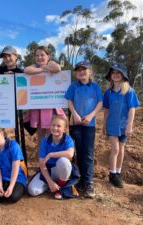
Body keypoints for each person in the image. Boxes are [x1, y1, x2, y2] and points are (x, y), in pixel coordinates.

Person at [64, 61, 103, 198]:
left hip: (89, 125)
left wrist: (91, 116)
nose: (81, 72)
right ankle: (78, 180)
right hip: (75, 124)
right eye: (78, 70)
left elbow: (100, 102)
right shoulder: (73, 86)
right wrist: (74, 114)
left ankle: (89, 182)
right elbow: (69, 100)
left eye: (84, 69)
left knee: (88, 153)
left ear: (90, 71)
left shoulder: (95, 87)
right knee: (77, 152)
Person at [103, 62, 140, 188]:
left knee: (121, 149)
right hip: (112, 125)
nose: (116, 75)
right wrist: (104, 125)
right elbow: (106, 110)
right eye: (113, 73)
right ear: (110, 75)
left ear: (123, 75)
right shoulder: (108, 92)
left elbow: (132, 109)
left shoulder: (129, 91)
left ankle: (118, 172)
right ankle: (112, 174)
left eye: (118, 73)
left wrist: (130, 125)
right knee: (115, 149)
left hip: (124, 125)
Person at [28, 115, 79, 199]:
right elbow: (42, 164)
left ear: (64, 129)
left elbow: (70, 154)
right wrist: (50, 181)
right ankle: (52, 186)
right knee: (32, 191)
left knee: (63, 161)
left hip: (62, 170)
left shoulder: (68, 139)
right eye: (53, 125)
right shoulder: (45, 141)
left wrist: (51, 154)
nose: (55, 128)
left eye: (59, 126)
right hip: (49, 171)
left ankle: (60, 188)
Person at [24, 46, 66, 146]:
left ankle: (54, 158)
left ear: (48, 56)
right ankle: (42, 158)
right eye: (37, 55)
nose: (39, 57)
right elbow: (26, 70)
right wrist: (43, 69)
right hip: (38, 109)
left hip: (51, 109)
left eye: (42, 55)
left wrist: (45, 67)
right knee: (41, 138)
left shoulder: (51, 63)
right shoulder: (35, 66)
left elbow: (57, 68)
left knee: (54, 134)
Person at [0, 124, 27, 203]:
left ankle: (19, 188)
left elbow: (16, 168)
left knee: (12, 197)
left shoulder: (13, 145)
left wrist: (11, 186)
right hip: (3, 178)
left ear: (1, 133)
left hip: (17, 178)